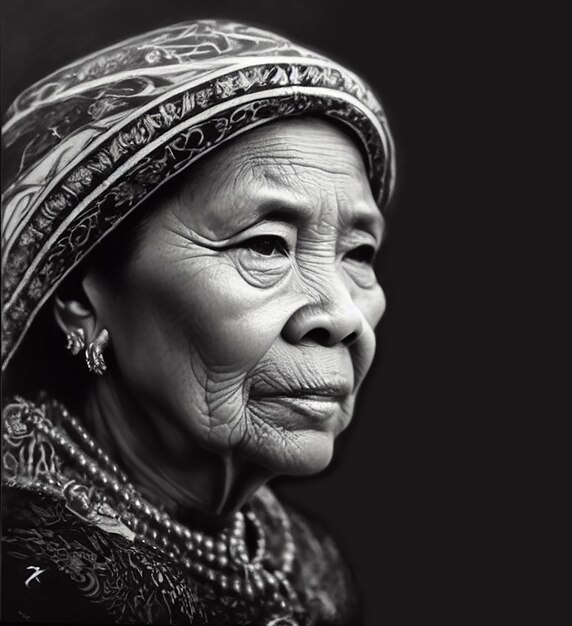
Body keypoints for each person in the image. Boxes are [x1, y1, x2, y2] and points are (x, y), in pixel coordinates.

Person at [1, 19, 395, 625]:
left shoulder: (307, 564)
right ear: (83, 299)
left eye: (358, 254)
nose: (342, 316)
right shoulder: (28, 575)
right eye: (266, 246)